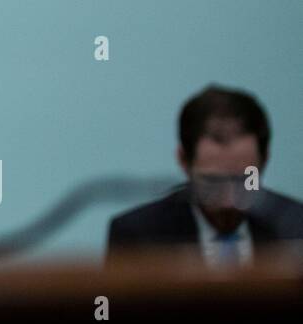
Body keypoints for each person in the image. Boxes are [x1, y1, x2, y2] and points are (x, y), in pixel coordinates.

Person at [107, 85, 303, 266]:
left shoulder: (296, 227)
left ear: (265, 159)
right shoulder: (139, 237)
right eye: (213, 182)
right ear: (184, 160)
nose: (229, 201)